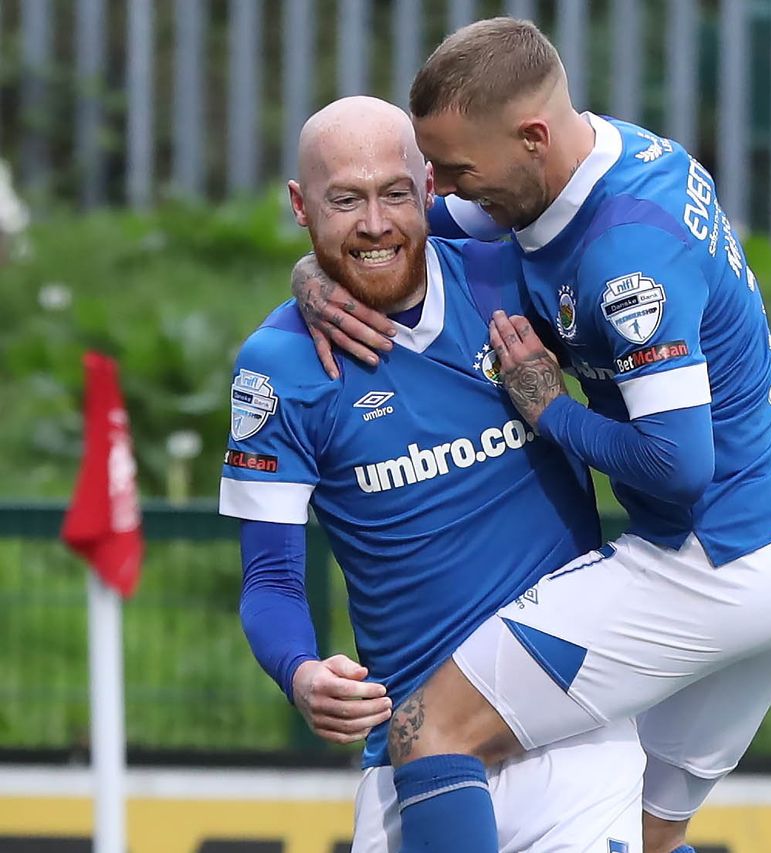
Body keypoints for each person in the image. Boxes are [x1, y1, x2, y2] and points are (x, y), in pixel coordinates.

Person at [292, 18, 771, 853]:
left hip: (713, 559)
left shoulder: (624, 259)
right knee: (648, 838)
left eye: (455, 169)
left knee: (426, 730)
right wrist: (312, 274)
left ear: (531, 138)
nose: (438, 188)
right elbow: (407, 241)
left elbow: (678, 469)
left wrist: (550, 410)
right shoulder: (601, 160)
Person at [221, 95, 644, 853]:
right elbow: (271, 583)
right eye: (344, 199)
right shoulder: (278, 366)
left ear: (429, 187)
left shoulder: (512, 281)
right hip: (415, 759)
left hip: (572, 741)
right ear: (299, 204)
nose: (376, 223)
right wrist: (301, 671)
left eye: (394, 192)